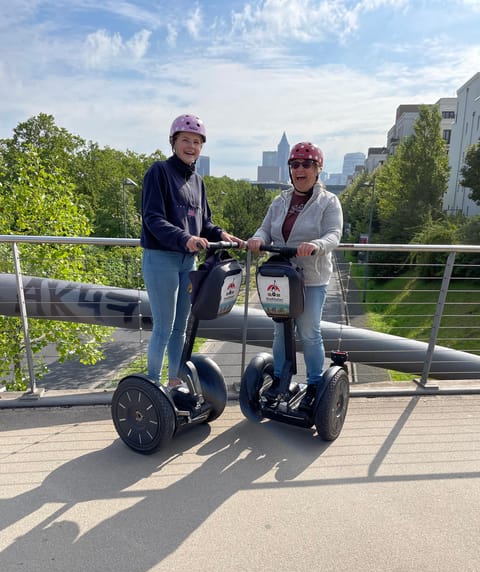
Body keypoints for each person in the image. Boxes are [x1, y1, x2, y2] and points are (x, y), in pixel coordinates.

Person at [141, 113, 243, 388]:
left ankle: (174, 381)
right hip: (161, 258)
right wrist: (184, 238)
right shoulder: (159, 172)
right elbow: (152, 219)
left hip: (187, 261)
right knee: (163, 327)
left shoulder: (198, 181)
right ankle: (152, 386)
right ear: (173, 142)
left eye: (197, 142)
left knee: (180, 328)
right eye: (185, 140)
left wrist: (220, 234)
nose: (191, 146)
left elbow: (204, 223)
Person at [247, 141, 343, 410]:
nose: (300, 169)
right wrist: (257, 239)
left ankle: (314, 384)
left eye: (307, 164)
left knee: (309, 331)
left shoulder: (328, 201)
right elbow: (264, 229)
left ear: (318, 169)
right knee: (281, 331)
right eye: (295, 165)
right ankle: (280, 379)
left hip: (311, 277)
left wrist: (316, 245)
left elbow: (334, 234)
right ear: (290, 170)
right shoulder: (281, 200)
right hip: (282, 275)